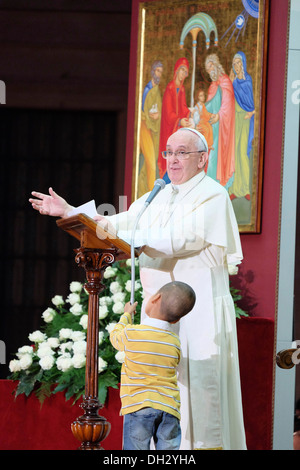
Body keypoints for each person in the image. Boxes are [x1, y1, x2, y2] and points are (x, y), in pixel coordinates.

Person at [29, 127, 247, 450]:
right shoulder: (157, 194)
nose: (172, 160)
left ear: (203, 159)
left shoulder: (213, 195)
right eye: (168, 152)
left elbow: (183, 238)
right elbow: (116, 223)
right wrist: (71, 211)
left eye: (181, 152)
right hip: (158, 319)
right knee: (157, 406)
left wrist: (137, 240)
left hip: (198, 315)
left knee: (199, 402)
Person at [110, 281, 196, 450]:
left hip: (139, 405)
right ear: (177, 319)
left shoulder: (132, 334)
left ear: (155, 298)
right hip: (169, 409)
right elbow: (176, 362)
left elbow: (115, 336)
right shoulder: (174, 342)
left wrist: (126, 315)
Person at [205, 53, 235, 189]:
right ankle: (211, 188)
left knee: (214, 159)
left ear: (216, 64)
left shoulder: (225, 82)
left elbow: (228, 104)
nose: (210, 70)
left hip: (223, 128)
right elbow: (207, 106)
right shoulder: (213, 86)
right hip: (212, 128)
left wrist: (219, 115)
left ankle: (217, 187)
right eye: (208, 69)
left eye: (211, 66)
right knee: (210, 158)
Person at [157, 57, 191, 180]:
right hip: (169, 129)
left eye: (185, 72)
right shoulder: (170, 88)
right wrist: (179, 120)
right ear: (177, 70)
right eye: (182, 70)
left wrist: (189, 113)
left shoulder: (181, 89)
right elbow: (168, 112)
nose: (183, 74)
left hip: (177, 129)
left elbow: (183, 107)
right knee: (170, 156)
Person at [229, 51, 255, 201]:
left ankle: (245, 189)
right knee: (234, 152)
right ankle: (233, 189)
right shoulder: (234, 82)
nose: (236, 66)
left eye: (238, 63)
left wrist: (251, 112)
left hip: (245, 120)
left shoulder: (249, 80)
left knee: (242, 152)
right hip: (235, 119)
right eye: (234, 63)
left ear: (243, 64)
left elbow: (253, 102)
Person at [139, 60, 163, 195]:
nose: (159, 74)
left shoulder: (157, 90)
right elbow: (142, 112)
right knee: (151, 164)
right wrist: (150, 116)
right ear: (153, 72)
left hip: (154, 129)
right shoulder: (147, 90)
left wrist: (157, 116)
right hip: (145, 127)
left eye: (161, 72)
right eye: (157, 71)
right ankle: (150, 194)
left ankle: (143, 191)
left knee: (149, 163)